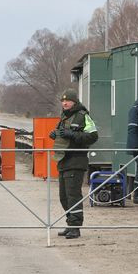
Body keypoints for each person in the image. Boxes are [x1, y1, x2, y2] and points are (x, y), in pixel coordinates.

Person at [49, 89, 98, 239]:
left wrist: (73, 135)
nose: (64, 103)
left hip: (76, 161)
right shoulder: (64, 117)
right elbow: (62, 136)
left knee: (73, 195)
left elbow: (93, 136)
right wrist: (54, 134)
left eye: (67, 101)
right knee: (64, 197)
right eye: (63, 101)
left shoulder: (83, 116)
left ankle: (75, 227)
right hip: (63, 161)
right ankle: (70, 223)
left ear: (74, 102)